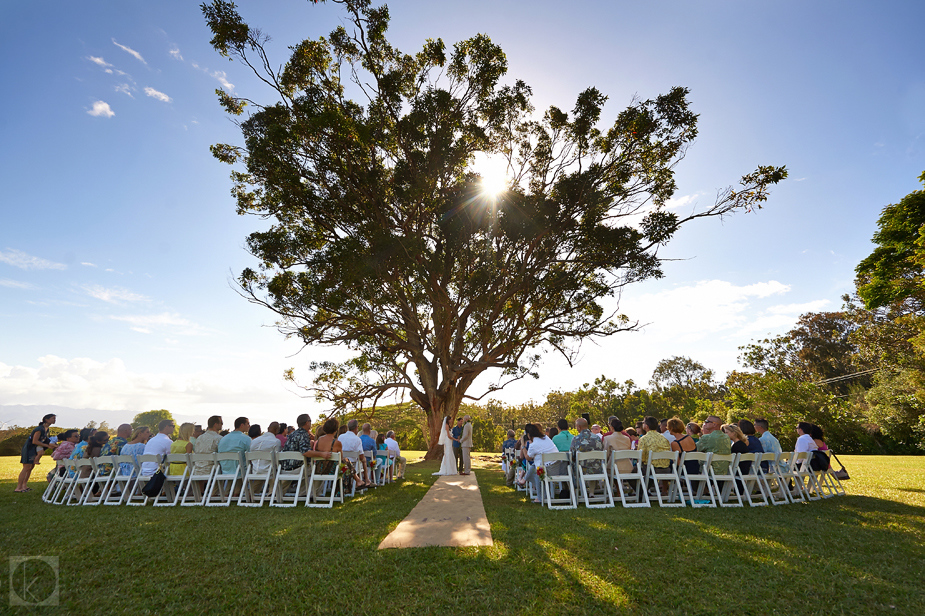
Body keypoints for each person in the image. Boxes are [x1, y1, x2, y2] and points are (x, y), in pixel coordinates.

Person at [17, 414, 57, 492]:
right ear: (46, 419)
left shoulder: (46, 429)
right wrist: (46, 445)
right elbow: (34, 441)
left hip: (34, 449)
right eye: (53, 418)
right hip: (29, 449)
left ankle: (24, 486)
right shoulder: (39, 429)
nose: (54, 420)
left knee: (30, 468)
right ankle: (18, 487)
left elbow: (45, 439)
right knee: (26, 468)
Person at [522, 423, 558, 503]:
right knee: (536, 466)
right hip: (560, 467)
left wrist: (523, 446)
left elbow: (527, 458)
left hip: (548, 471)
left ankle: (540, 497)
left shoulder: (533, 445)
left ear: (529, 435)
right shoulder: (547, 438)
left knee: (536, 469)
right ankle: (525, 480)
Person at [339, 419, 370, 487]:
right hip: (353, 465)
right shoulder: (357, 439)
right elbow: (361, 457)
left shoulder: (340, 437)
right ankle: (366, 480)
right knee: (363, 460)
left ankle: (361, 481)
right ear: (356, 428)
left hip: (341, 463)